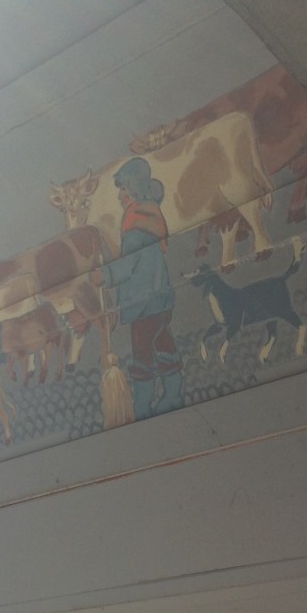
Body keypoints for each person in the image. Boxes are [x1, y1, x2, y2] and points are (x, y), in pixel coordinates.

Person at [95, 157, 184, 420]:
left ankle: (143, 406)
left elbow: (129, 263)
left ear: (133, 188)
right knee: (163, 342)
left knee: (142, 352)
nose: (120, 196)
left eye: (123, 189)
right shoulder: (151, 214)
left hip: (143, 302)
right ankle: (173, 395)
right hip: (161, 299)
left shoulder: (135, 223)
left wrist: (103, 275)